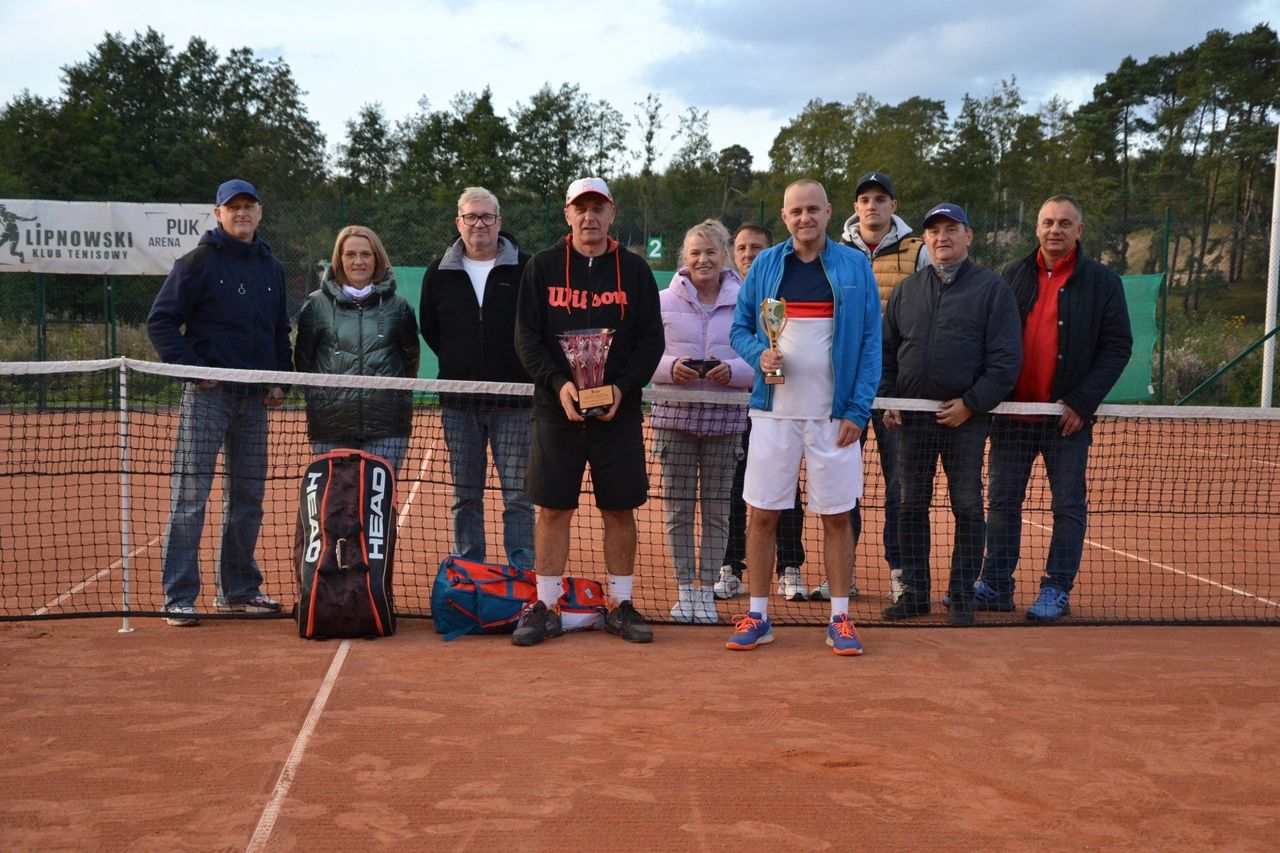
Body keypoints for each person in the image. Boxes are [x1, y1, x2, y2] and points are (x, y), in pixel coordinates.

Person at [726, 179, 881, 656]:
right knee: (762, 515)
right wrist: (759, 354)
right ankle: (757, 613)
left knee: (837, 517)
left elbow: (872, 344)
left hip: (835, 420)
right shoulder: (767, 264)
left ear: (829, 213)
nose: (804, 218)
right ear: (785, 215)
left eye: (813, 209)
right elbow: (739, 329)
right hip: (773, 416)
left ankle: (840, 617)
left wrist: (857, 409)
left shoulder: (855, 265)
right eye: (796, 211)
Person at [512, 177, 665, 646]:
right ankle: (546, 604)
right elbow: (527, 338)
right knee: (553, 509)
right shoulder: (541, 267)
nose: (589, 216)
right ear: (568, 214)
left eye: (598, 207)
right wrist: (558, 386)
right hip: (557, 413)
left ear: (611, 213)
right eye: (581, 207)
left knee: (620, 509)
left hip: (618, 415)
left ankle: (620, 604)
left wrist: (621, 388)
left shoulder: (635, 272)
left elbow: (650, 341)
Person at [975, 195, 1132, 622]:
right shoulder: (1013, 274)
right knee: (1002, 503)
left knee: (1067, 507)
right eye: (1047, 222)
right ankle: (995, 585)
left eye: (1065, 223)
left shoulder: (1103, 282)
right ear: (1037, 228)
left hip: (1067, 421)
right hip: (1010, 417)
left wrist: (1081, 402)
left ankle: (1056, 588)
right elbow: (993, 338)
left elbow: (1118, 347)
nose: (1054, 230)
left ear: (1079, 230)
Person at [145, 179, 291, 627]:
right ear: (218, 214)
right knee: (191, 497)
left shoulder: (272, 268)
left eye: (249, 206)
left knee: (247, 499)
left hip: (255, 402)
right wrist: (194, 369)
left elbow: (279, 330)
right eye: (233, 207)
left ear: (259, 213)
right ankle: (179, 596)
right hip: (207, 399)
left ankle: (238, 590)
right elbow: (161, 323)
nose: (241, 213)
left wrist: (280, 379)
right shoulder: (196, 263)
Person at [879, 203, 1022, 626]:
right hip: (912, 421)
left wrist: (971, 404)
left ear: (968, 236)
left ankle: (961, 596)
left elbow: (1005, 361)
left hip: (965, 420)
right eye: (934, 230)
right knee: (909, 505)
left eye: (951, 229)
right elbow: (887, 352)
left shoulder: (993, 290)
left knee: (967, 506)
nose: (942, 237)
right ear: (925, 239)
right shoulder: (907, 290)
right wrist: (889, 399)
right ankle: (915, 594)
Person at [421, 187, 535, 570]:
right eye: (471, 217)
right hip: (459, 403)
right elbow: (431, 329)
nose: (479, 224)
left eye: (487, 216)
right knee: (465, 494)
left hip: (516, 403)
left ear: (499, 222)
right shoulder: (439, 272)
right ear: (459, 222)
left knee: (518, 496)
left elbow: (538, 327)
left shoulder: (527, 268)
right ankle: (470, 571)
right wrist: (462, 364)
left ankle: (523, 573)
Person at [835, 171, 930, 604]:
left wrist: (902, 386)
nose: (871, 206)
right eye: (864, 199)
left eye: (880, 198)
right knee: (842, 485)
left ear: (893, 205)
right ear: (855, 207)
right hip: (844, 389)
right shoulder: (834, 254)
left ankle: (901, 574)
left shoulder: (919, 252)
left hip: (897, 390)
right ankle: (844, 574)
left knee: (902, 487)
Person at [651, 219, 752, 623]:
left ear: (724, 256)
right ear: (684, 257)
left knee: (715, 511)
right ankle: (683, 592)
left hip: (725, 421)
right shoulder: (661, 301)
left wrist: (735, 371)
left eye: (710, 252)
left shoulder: (748, 300)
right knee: (678, 510)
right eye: (695, 252)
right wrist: (671, 367)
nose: (702, 259)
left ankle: (706, 591)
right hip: (673, 419)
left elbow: (762, 358)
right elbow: (643, 356)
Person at [713, 223, 812, 604]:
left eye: (756, 247)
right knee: (735, 491)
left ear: (770, 252)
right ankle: (731, 567)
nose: (748, 253)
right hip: (729, 414)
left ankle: (790, 567)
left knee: (787, 492)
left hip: (776, 407)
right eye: (741, 247)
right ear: (733, 253)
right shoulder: (724, 293)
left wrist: (769, 371)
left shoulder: (785, 287)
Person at [294, 225, 420, 473]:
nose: (358, 261)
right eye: (350, 254)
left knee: (379, 507)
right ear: (339, 260)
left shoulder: (399, 307)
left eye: (366, 254)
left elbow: (410, 361)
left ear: (377, 258)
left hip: (387, 428)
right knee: (336, 507)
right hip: (331, 427)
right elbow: (304, 363)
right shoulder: (316, 306)